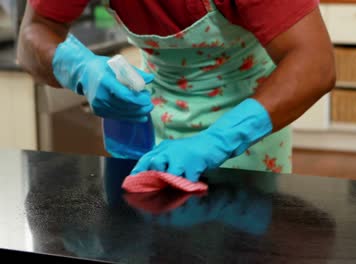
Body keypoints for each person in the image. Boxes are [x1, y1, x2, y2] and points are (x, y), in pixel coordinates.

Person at [17, 0, 335, 182]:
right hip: (151, 124)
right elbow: (35, 30)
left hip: (248, 132)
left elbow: (314, 64)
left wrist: (218, 140)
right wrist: (79, 69)